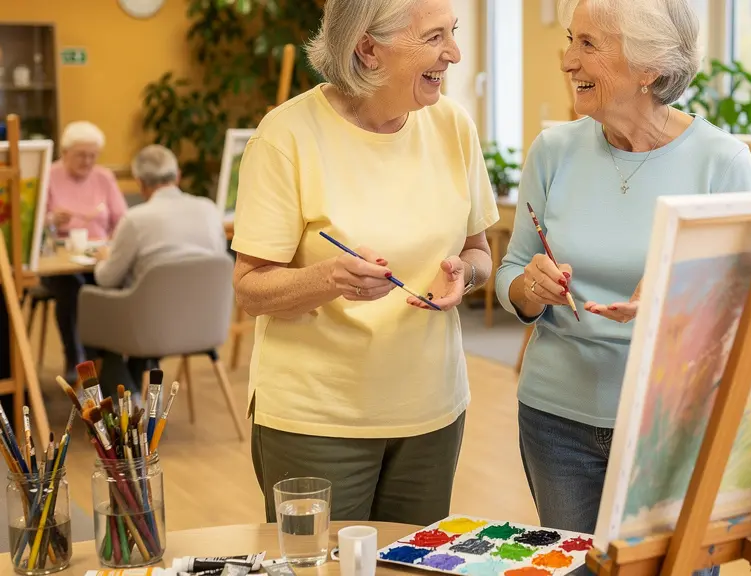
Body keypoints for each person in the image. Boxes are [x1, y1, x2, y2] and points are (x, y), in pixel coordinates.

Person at [494, 0, 751, 560]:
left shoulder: (723, 163)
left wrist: (672, 299)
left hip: (670, 430)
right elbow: (512, 269)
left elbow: (749, 314)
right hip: (555, 419)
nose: (567, 60)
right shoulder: (553, 152)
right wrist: (527, 289)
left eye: (588, 44)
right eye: (571, 39)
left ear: (650, 68)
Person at [230, 0, 498, 525]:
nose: (455, 53)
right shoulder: (285, 136)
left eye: (454, 33)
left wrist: (464, 276)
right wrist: (329, 278)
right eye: (434, 37)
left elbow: (480, 253)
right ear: (368, 48)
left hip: (432, 413)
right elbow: (249, 289)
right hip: (318, 421)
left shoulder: (453, 126)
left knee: (410, 564)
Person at [90, 144, 227, 397]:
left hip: (151, 327)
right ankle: (137, 401)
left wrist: (105, 257)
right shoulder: (209, 209)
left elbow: (106, 279)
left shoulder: (136, 219)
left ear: (140, 182)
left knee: (95, 315)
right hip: (206, 323)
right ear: (177, 176)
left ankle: (127, 404)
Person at [44, 121, 128, 381]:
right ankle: (75, 355)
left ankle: (106, 359)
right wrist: (50, 220)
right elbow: (33, 222)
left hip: (96, 256)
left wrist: (113, 240)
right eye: (81, 155)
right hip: (56, 262)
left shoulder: (104, 177)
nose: (88, 161)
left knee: (111, 281)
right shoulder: (48, 174)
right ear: (65, 152)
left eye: (93, 155)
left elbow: (123, 220)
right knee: (73, 288)